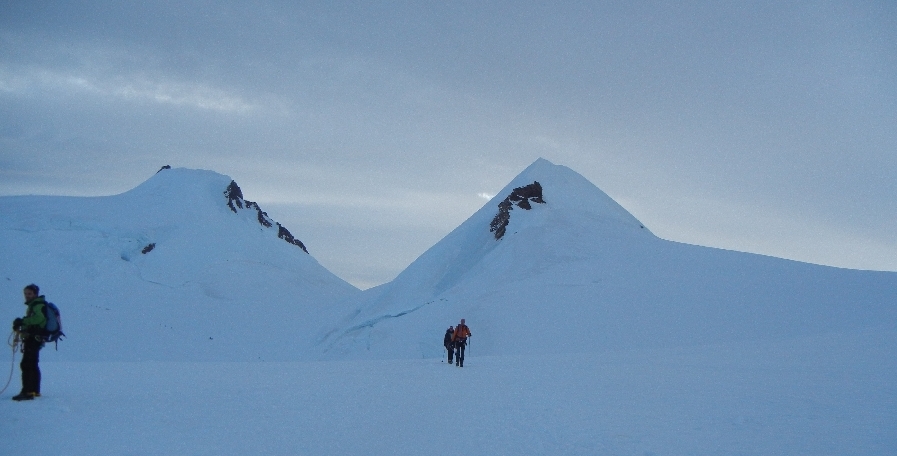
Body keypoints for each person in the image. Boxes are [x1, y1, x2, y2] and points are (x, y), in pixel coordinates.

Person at [11, 284, 47, 401]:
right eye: (26, 294)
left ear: (35, 294)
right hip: (35, 338)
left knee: (27, 364)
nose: (27, 296)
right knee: (32, 364)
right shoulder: (35, 305)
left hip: (33, 339)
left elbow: (39, 318)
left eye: (29, 294)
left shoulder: (37, 305)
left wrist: (23, 321)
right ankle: (34, 391)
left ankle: (27, 391)